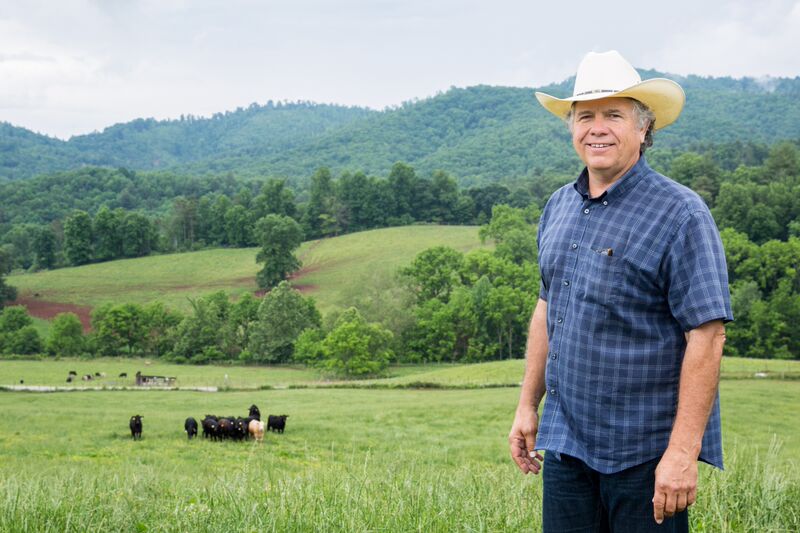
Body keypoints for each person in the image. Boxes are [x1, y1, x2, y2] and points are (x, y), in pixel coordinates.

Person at [508, 50, 733, 532]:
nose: (597, 128)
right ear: (571, 129)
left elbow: (707, 336)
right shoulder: (559, 206)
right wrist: (529, 404)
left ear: (643, 129)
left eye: (614, 115)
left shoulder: (681, 214)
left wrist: (682, 453)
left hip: (644, 454)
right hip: (567, 445)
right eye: (585, 116)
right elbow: (549, 305)